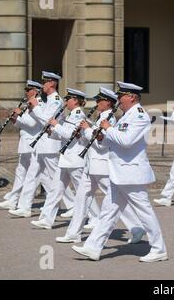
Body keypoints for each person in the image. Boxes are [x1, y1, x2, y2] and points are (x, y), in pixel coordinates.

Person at [72, 82, 168, 262]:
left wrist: (108, 128)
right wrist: (101, 136)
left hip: (131, 173)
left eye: (121, 96)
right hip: (119, 173)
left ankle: (159, 248)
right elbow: (114, 141)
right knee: (108, 212)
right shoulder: (126, 115)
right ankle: (93, 247)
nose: (118, 99)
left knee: (144, 212)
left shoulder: (139, 116)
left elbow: (127, 141)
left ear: (132, 97)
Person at [55, 87, 146, 244]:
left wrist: (86, 130)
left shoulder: (109, 119)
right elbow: (91, 139)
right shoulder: (100, 117)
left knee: (117, 200)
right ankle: (73, 233)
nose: (96, 103)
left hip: (102, 165)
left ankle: (136, 227)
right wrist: (82, 133)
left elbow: (102, 144)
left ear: (108, 103)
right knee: (81, 198)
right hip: (91, 165)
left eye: (100, 101)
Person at [8, 71, 75, 218]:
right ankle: (24, 207)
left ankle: (72, 205)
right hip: (41, 143)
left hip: (51, 144)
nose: (42, 85)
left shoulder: (56, 100)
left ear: (52, 83)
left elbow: (47, 120)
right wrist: (30, 111)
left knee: (57, 178)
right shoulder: (47, 100)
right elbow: (37, 120)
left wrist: (36, 108)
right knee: (32, 175)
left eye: (45, 82)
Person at [31, 88, 89, 229]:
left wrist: (56, 125)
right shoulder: (70, 115)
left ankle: (95, 218)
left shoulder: (78, 115)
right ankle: (46, 219)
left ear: (75, 101)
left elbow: (70, 135)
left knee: (84, 192)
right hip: (66, 159)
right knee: (55, 191)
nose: (66, 101)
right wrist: (52, 132)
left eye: (68, 99)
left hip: (75, 159)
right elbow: (64, 135)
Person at [0, 80, 43, 210]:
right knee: (20, 172)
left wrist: (19, 113)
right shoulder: (29, 104)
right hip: (25, 142)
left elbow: (32, 123)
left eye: (28, 90)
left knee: (36, 176)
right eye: (26, 90)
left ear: (35, 91)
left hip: (32, 143)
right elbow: (23, 123)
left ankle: (24, 203)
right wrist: (15, 119)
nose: (26, 92)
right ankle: (13, 199)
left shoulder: (38, 103)